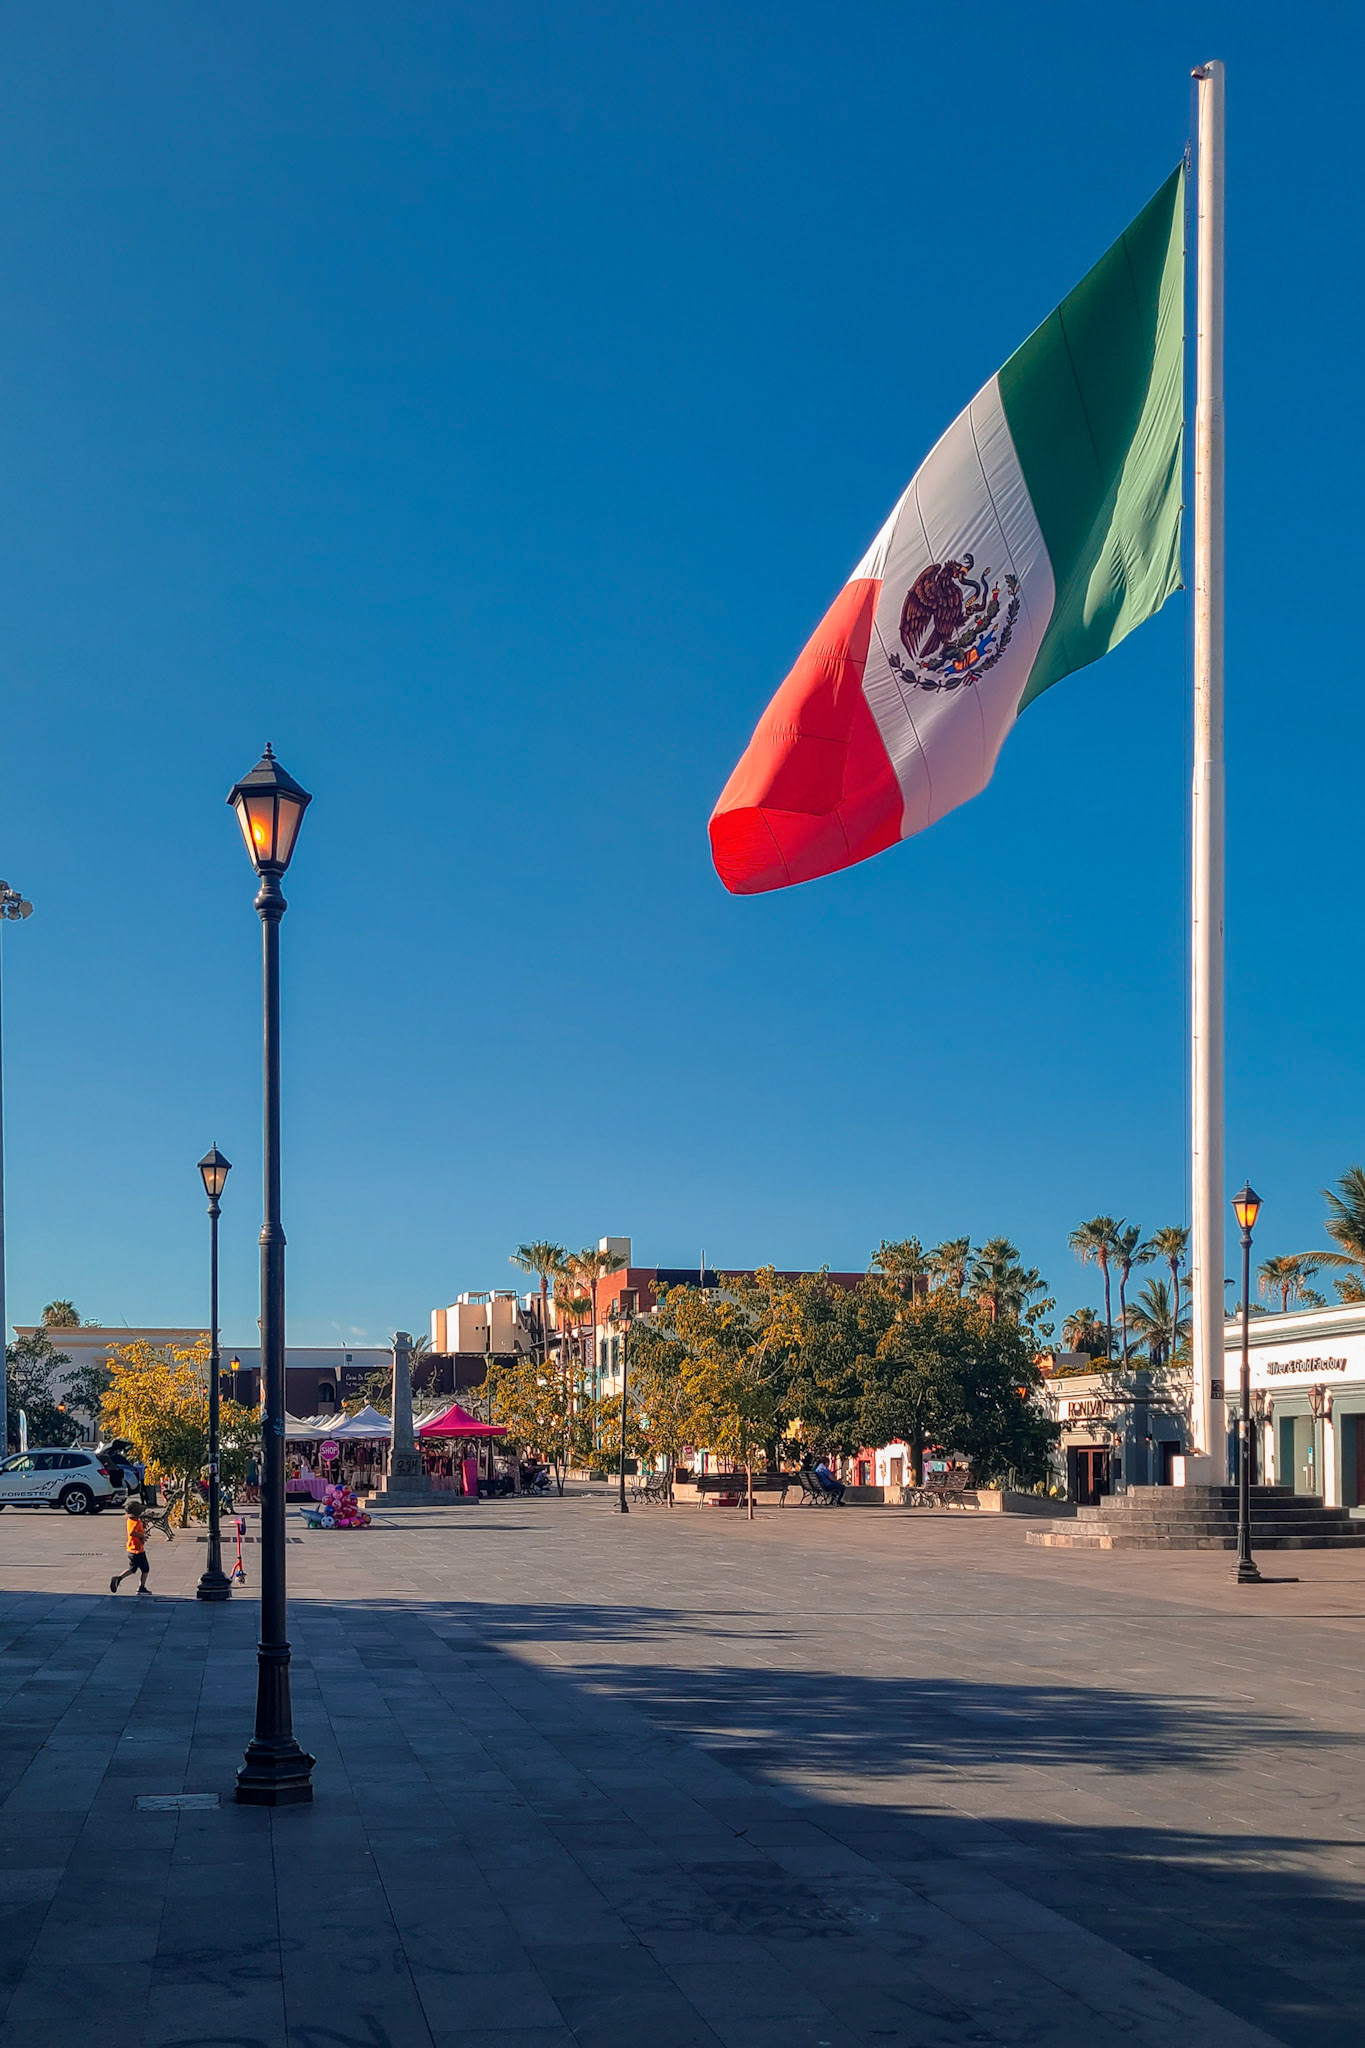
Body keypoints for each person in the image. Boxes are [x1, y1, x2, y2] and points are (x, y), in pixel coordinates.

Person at [109, 1496, 172, 1596]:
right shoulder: (136, 1522)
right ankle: (141, 1587)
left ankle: (118, 1578)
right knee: (145, 1569)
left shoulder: (130, 1521)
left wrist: (142, 1527)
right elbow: (132, 1532)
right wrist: (142, 1535)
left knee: (132, 1569)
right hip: (137, 1550)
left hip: (131, 1549)